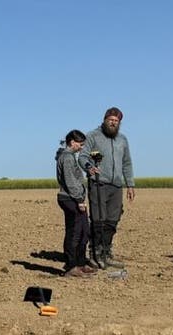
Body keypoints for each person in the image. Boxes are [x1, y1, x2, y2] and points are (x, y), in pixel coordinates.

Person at [81, 107, 135, 269]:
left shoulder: (122, 140)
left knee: (112, 220)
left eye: (116, 121)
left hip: (116, 185)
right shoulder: (93, 136)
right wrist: (89, 167)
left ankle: (106, 252)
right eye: (110, 119)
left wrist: (130, 184)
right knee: (98, 220)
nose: (113, 123)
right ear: (105, 119)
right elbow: (83, 156)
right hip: (99, 183)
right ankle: (95, 254)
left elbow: (127, 163)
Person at [56, 130, 96, 277]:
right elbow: (70, 181)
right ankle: (71, 266)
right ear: (72, 142)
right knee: (74, 233)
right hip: (70, 199)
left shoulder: (71, 157)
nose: (81, 147)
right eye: (80, 144)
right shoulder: (66, 158)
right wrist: (79, 200)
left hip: (75, 198)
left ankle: (80, 263)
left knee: (84, 231)